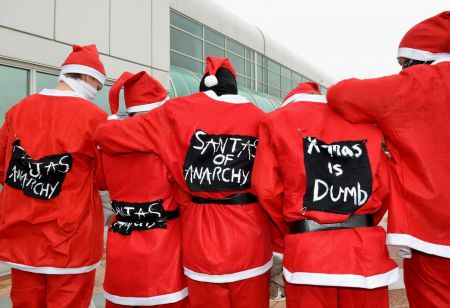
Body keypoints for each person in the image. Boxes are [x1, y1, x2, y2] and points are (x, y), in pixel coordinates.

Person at [95, 56, 272, 308]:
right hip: (251, 236)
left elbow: (109, 137)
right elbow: (271, 186)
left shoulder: (177, 112)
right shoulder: (261, 118)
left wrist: (111, 120)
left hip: (201, 238)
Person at [326, 11, 450, 307]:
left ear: (418, 57)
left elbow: (340, 94)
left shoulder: (415, 85)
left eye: (403, 64)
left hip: (431, 231)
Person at [253, 82, 399, 308]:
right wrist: (361, 221)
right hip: (364, 255)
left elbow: (266, 190)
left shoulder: (276, 122)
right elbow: (385, 186)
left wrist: (294, 230)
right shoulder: (363, 122)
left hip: (308, 255)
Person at [0, 44, 107, 307]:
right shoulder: (95, 118)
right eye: (98, 85)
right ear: (86, 77)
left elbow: (4, 169)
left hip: (21, 237)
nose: (96, 92)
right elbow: (104, 179)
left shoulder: (18, 110)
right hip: (70, 241)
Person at [100, 71, 188, 307]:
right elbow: (184, 188)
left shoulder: (107, 140)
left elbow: (100, 182)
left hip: (122, 244)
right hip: (164, 247)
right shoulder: (167, 141)